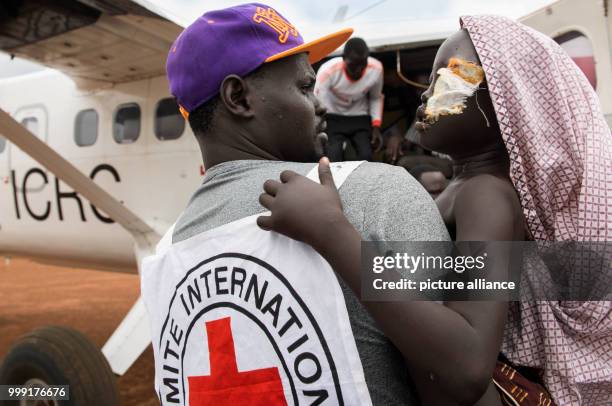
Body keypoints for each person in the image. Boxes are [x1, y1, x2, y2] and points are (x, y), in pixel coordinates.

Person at [258, 16, 612, 406]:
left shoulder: (486, 195)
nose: (425, 96)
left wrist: (330, 230)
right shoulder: (460, 189)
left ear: (506, 103)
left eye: (446, 79)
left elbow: (468, 363)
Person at [141, 3, 450, 405]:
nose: (320, 104)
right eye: (305, 88)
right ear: (238, 97)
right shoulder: (376, 192)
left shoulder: (163, 257)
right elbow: (463, 364)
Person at [315, 37, 384, 161]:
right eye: (353, 65)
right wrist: (319, 129)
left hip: (359, 116)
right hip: (332, 116)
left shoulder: (376, 69)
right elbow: (319, 104)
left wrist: (376, 127)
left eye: (363, 65)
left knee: (366, 156)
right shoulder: (327, 71)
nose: (358, 70)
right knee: (333, 156)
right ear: (343, 59)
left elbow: (375, 98)